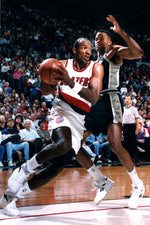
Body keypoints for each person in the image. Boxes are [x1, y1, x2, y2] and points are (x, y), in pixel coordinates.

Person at [0, 37, 105, 216]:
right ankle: (23, 169)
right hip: (62, 110)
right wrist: (45, 77)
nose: (88, 51)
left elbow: (94, 98)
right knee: (63, 144)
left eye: (90, 48)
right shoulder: (62, 65)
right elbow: (47, 91)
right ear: (74, 50)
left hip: (80, 119)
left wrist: (70, 81)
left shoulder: (96, 67)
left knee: (56, 167)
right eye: (84, 48)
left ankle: (10, 198)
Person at [82, 15, 144, 209]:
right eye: (96, 38)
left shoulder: (114, 51)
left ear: (109, 41)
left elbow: (138, 53)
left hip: (111, 100)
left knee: (115, 145)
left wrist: (120, 32)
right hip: (96, 103)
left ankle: (137, 185)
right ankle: (101, 181)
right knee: (74, 143)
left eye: (101, 38)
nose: (97, 40)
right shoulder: (95, 62)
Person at [122, 95, 141, 166]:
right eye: (125, 99)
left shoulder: (134, 109)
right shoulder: (122, 108)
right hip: (125, 127)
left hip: (132, 127)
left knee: (134, 144)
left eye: (128, 99)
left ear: (131, 101)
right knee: (126, 145)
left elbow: (137, 119)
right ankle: (129, 161)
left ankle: (137, 161)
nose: (126, 100)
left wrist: (137, 129)